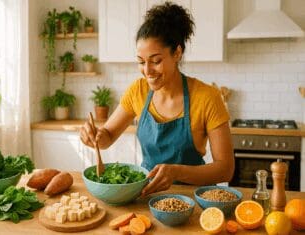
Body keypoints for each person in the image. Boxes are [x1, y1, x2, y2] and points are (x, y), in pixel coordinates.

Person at [80, 2, 234, 196]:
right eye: (141, 62)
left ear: (177, 53)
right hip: (147, 194)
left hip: (192, 198)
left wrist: (177, 172)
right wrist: (95, 136)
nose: (147, 71)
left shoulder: (207, 97)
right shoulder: (138, 91)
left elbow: (226, 169)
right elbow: (107, 137)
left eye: (156, 61)